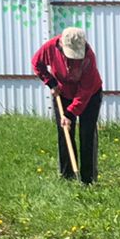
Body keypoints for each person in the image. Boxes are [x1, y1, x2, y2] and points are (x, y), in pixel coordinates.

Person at [32, 27, 103, 184]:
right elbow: (37, 63)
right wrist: (50, 82)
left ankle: (88, 179)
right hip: (62, 93)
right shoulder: (50, 47)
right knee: (64, 132)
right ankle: (67, 176)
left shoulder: (89, 57)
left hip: (89, 96)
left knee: (87, 134)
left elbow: (85, 91)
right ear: (61, 45)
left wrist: (70, 114)